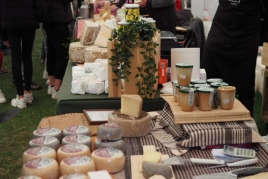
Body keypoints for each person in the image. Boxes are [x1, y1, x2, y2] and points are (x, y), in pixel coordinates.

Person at [201, 0, 267, 117]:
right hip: (221, 30)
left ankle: (246, 128)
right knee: (207, 79)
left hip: (245, 37)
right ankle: (207, 123)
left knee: (245, 86)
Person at [0, 0, 46, 109]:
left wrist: (3, 35)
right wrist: (36, 18)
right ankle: (27, 93)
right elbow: (41, 6)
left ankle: (21, 97)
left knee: (16, 58)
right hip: (28, 22)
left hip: (11, 24)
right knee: (27, 57)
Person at [44, 0, 73, 99]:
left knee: (52, 51)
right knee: (62, 53)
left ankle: (52, 84)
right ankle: (57, 88)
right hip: (58, 19)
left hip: (49, 18)